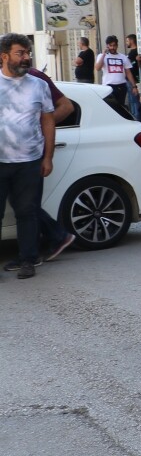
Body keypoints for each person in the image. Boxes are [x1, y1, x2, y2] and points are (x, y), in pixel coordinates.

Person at [0, 34, 55, 279]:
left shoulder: (39, 85)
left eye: (27, 53)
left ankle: (27, 260)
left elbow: (48, 121)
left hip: (30, 162)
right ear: (4, 56)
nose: (26, 58)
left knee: (27, 212)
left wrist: (48, 157)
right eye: (20, 53)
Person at [15, 65, 78, 268]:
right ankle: (48, 240)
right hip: (10, 153)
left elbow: (66, 107)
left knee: (26, 204)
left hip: (32, 151)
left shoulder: (34, 77)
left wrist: (41, 126)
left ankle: (46, 244)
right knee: (21, 203)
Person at [95, 35, 137, 108]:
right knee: (110, 107)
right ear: (107, 46)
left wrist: (134, 86)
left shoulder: (123, 57)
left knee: (121, 106)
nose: (112, 48)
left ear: (117, 46)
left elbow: (128, 72)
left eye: (114, 45)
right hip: (108, 86)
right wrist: (103, 55)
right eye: (110, 45)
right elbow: (98, 68)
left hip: (121, 85)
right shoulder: (102, 56)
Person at [124, 33, 141, 117]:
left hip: (133, 80)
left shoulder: (136, 52)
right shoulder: (131, 52)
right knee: (131, 100)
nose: (126, 42)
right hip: (129, 80)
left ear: (131, 40)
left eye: (127, 40)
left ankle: (137, 117)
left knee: (135, 100)